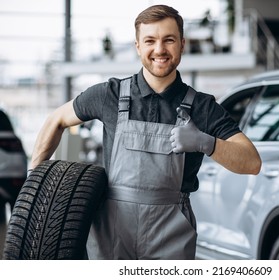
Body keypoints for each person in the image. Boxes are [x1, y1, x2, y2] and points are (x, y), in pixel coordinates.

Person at [30, 4, 261, 260]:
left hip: (171, 234)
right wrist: (34, 186)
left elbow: (251, 162)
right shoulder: (110, 95)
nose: (159, 50)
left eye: (169, 40)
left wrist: (206, 143)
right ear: (138, 46)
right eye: (150, 40)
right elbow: (56, 119)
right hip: (111, 233)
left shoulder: (202, 107)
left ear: (182, 44)